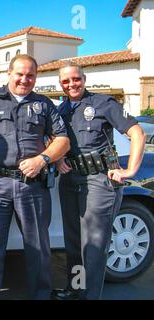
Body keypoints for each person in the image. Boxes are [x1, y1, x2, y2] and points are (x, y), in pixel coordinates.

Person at [0, 54, 70, 299]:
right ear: (8, 73)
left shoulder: (44, 104)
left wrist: (43, 159)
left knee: (38, 248)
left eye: (30, 75)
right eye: (19, 74)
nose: (24, 79)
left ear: (36, 77)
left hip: (32, 186)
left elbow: (63, 140)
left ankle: (40, 296)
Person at [51, 62, 145, 300]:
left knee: (93, 245)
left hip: (99, 181)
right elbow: (55, 140)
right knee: (73, 242)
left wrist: (130, 169)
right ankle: (75, 288)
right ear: (60, 84)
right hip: (70, 180)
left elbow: (136, 132)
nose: (71, 84)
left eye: (76, 79)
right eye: (66, 81)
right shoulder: (61, 110)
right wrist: (58, 158)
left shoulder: (103, 103)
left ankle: (91, 296)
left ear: (84, 79)